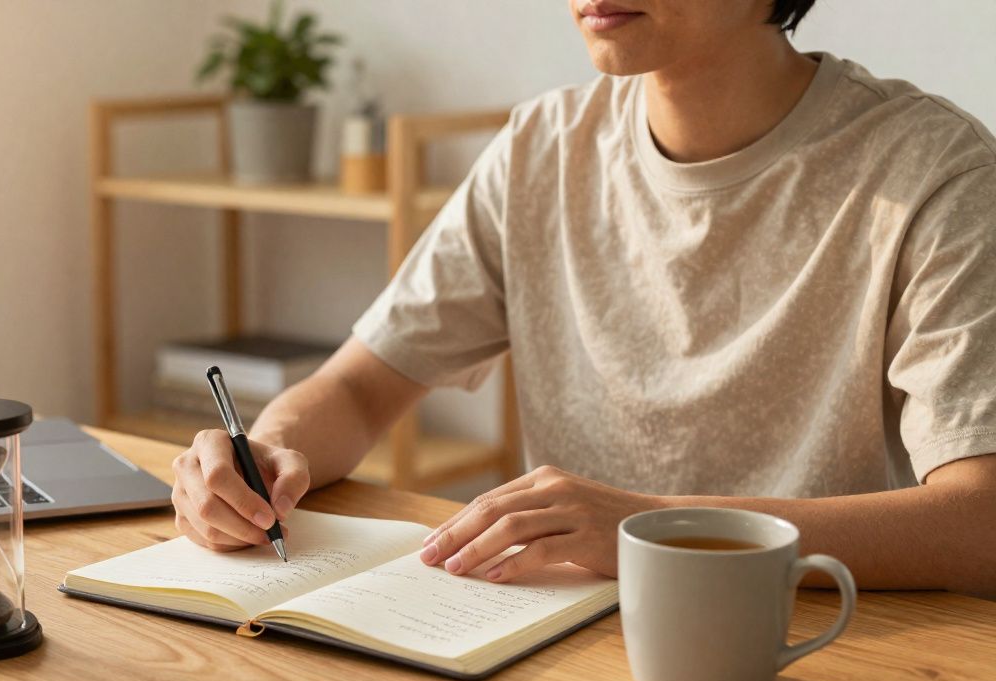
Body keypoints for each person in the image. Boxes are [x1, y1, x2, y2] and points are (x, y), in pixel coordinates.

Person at [168, 0, 996, 597]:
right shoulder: (540, 149)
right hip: (559, 640)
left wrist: (646, 531)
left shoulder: (934, 173)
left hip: (820, 650)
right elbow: (358, 386)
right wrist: (263, 458)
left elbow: (979, 522)